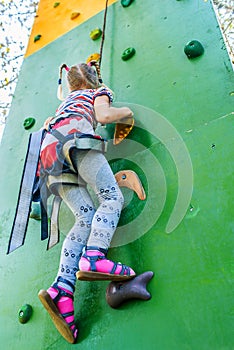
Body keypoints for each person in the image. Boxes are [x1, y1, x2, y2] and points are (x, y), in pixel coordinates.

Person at [38, 61, 136, 344]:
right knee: (111, 197)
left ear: (69, 84)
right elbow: (104, 116)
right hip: (75, 143)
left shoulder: (63, 103)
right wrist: (127, 113)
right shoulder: (98, 92)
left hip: (49, 157)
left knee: (84, 218)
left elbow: (47, 126)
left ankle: (62, 290)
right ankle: (94, 256)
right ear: (94, 80)